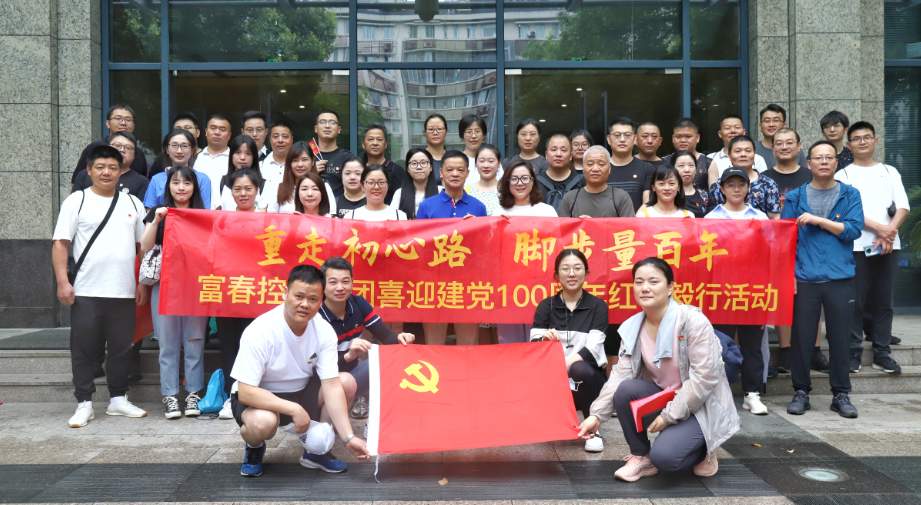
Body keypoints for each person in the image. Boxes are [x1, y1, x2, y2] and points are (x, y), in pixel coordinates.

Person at [578, 257, 740, 481]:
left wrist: (668, 416)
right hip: (666, 397)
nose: (645, 288)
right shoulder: (632, 327)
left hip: (702, 405)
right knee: (625, 389)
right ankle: (641, 456)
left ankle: (705, 449)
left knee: (666, 459)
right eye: (639, 282)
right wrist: (596, 415)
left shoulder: (693, 321)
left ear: (670, 287)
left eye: (653, 281)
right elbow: (619, 376)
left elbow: (704, 378)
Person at [230, 265, 370, 477]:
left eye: (313, 299)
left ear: (321, 301)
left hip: (303, 391)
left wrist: (348, 437)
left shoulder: (324, 331)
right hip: (261, 397)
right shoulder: (260, 331)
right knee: (263, 424)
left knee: (346, 382)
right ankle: (254, 447)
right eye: (299, 296)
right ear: (285, 293)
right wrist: (293, 409)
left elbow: (331, 386)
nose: (305, 304)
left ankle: (318, 450)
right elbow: (246, 392)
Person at [53, 145, 149, 427]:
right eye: (100, 167)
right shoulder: (77, 200)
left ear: (121, 171)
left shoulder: (133, 203)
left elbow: (142, 247)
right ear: (89, 170)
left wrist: (142, 283)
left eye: (112, 167)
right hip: (86, 290)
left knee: (121, 348)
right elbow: (60, 244)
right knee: (84, 349)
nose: (106, 172)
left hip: (124, 291)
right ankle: (84, 403)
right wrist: (63, 282)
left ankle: (118, 399)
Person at [782, 140, 864, 419]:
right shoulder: (795, 197)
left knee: (840, 338)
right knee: (802, 338)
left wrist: (819, 220)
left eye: (829, 157)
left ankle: (840, 394)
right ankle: (800, 392)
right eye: (818, 158)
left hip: (840, 277)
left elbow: (853, 230)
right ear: (809, 163)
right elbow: (786, 239)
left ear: (836, 162)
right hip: (805, 277)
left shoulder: (850, 194)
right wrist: (789, 275)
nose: (824, 162)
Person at [835, 121, 910, 374]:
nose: (863, 142)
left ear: (876, 141)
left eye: (867, 137)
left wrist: (889, 233)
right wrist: (881, 229)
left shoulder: (890, 171)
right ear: (849, 145)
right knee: (855, 302)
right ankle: (853, 352)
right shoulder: (843, 176)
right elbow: (846, 211)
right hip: (856, 247)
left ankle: (882, 352)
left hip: (889, 247)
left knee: (884, 302)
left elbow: (903, 206)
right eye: (857, 139)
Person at [139, 166, 209, 419]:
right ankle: (169, 396)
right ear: (168, 186)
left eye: (187, 183)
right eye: (176, 183)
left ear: (194, 187)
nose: (181, 188)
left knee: (194, 343)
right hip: (165, 286)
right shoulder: (159, 213)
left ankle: (193, 394)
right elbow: (145, 246)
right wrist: (156, 220)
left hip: (196, 288)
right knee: (167, 345)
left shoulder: (204, 216)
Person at [704, 167, 768, 415]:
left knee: (752, 344)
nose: (736, 189)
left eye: (741, 184)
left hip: (752, 289)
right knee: (720, 344)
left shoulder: (760, 217)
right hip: (721, 291)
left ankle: (752, 394)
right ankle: (720, 394)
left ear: (748, 187)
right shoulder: (711, 218)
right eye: (730, 184)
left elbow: (770, 253)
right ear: (721, 188)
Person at [318, 257, 414, 419]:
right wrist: (348, 356)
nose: (340, 287)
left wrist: (401, 338)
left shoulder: (358, 303)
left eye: (345, 281)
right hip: (319, 382)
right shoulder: (315, 313)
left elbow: (387, 336)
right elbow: (313, 364)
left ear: (352, 283)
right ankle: (323, 425)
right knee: (343, 383)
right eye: (333, 282)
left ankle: (384, 420)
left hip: (351, 377)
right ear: (322, 285)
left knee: (384, 360)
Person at [532, 250, 607, 452]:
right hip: (553, 381)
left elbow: (593, 349)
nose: (571, 273)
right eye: (565, 269)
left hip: (588, 380)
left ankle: (593, 430)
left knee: (580, 369)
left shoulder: (598, 306)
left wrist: (562, 369)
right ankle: (554, 421)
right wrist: (543, 340)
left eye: (577, 268)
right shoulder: (546, 306)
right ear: (557, 275)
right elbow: (533, 346)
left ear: (586, 273)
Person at [416, 151, 487, 346]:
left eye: (460, 170)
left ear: (467, 173)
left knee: (468, 342)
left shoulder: (478, 207)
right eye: (450, 170)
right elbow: (419, 247)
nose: (455, 174)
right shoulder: (427, 206)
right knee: (434, 342)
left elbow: (484, 249)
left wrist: (477, 229)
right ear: (441, 172)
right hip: (434, 284)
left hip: (467, 284)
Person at [215, 167, 264, 419]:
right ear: (230, 192)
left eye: (248, 188)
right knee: (228, 346)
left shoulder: (269, 220)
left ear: (257, 190)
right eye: (237, 189)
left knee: (253, 346)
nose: (243, 193)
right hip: (227, 292)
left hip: (258, 294)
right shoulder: (221, 220)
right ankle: (230, 396)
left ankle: (252, 396)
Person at [72, 104, 149, 183]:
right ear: (108, 123)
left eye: (128, 120)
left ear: (133, 126)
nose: (123, 123)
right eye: (118, 119)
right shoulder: (94, 148)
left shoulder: (138, 152)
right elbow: (77, 181)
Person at [709, 136, 780, 219]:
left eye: (748, 151)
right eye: (738, 151)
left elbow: (774, 218)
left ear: (754, 154)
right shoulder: (717, 186)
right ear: (729, 155)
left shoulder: (768, 184)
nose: (743, 154)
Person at [143, 130, 212, 210]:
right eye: (174, 146)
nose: (179, 151)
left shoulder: (202, 179)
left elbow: (205, 211)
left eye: (184, 146)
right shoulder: (157, 179)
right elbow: (150, 212)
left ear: (192, 150)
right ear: (167, 149)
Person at [558, 145, 634, 219]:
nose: (595, 169)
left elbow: (630, 226)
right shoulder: (570, 198)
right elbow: (562, 227)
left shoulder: (621, 198)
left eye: (601, 164)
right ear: (583, 168)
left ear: (609, 168)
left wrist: (593, 225)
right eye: (590, 164)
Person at [73, 131, 149, 200]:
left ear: (134, 155)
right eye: (117, 145)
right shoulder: (85, 174)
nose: (122, 150)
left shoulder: (142, 182)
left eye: (128, 148)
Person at [265, 141, 336, 214]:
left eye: (305, 160)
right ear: (289, 163)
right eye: (295, 160)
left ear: (312, 162)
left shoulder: (324, 187)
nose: (300, 165)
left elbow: (331, 216)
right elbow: (272, 217)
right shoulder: (278, 188)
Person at [606, 118, 655, 212]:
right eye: (617, 135)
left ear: (635, 139)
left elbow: (647, 201)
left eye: (627, 135)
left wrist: (633, 219)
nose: (622, 139)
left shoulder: (646, 168)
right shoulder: (600, 169)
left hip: (637, 220)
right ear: (609, 139)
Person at [707, 114, 768, 187]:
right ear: (720, 134)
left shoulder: (758, 159)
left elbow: (764, 184)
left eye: (737, 127)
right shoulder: (710, 159)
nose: (733, 131)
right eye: (727, 128)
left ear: (744, 132)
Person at [536, 134, 585, 212]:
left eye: (563, 150)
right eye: (554, 150)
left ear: (571, 156)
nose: (558, 154)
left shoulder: (582, 182)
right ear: (546, 155)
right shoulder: (535, 182)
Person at [661, 118, 711, 192]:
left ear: (697, 138)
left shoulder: (708, 163)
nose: (683, 140)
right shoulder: (663, 162)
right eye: (678, 137)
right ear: (673, 138)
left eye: (688, 136)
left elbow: (714, 194)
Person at [194, 114, 233, 209]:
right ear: (206, 132)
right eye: (213, 128)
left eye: (222, 130)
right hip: (197, 211)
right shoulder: (194, 158)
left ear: (229, 136)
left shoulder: (236, 160)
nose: (217, 132)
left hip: (226, 213)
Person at [343, 164, 407, 221]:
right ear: (362, 186)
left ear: (388, 185)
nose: (376, 187)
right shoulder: (350, 217)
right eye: (371, 183)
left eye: (381, 182)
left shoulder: (399, 216)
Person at [149, 111, 202, 178]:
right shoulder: (163, 158)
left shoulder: (205, 157)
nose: (183, 132)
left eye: (188, 128)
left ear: (198, 133)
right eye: (178, 129)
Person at [314, 110, 354, 197]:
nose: (327, 126)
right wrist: (311, 173)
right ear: (316, 128)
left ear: (339, 129)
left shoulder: (348, 158)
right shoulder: (307, 156)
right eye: (323, 122)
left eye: (332, 122)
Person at [219, 135, 265, 211]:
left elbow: (263, 214)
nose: (242, 157)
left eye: (248, 153)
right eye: (238, 152)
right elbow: (216, 213)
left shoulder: (264, 185)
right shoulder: (221, 182)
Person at [360, 123, 404, 204]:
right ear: (363, 145)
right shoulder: (358, 169)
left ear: (385, 145)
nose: (375, 143)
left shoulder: (395, 170)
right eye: (370, 139)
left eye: (379, 139)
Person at [394, 148, 442, 219]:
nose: (419, 167)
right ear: (408, 169)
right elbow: (392, 219)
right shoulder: (399, 193)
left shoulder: (441, 191)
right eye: (414, 163)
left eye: (423, 163)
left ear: (431, 167)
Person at [756, 105, 807, 169]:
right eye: (767, 121)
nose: (771, 124)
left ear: (784, 125)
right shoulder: (752, 150)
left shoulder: (795, 150)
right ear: (760, 126)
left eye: (776, 120)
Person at [465, 144, 502, 216]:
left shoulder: (507, 190)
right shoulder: (466, 191)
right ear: (475, 163)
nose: (486, 165)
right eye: (482, 161)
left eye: (491, 161)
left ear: (499, 163)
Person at [671, 150, 708, 218]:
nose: (687, 170)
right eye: (681, 165)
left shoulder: (704, 196)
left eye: (691, 165)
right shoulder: (667, 195)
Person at [261, 120, 293, 187]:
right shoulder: (260, 167)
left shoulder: (299, 166)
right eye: (275, 136)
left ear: (291, 139)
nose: (280, 140)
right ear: (270, 139)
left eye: (285, 136)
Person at [459, 114, 490, 183]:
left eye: (477, 131)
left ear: (483, 135)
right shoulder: (457, 160)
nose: (473, 136)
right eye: (469, 132)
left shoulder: (491, 160)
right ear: (462, 136)